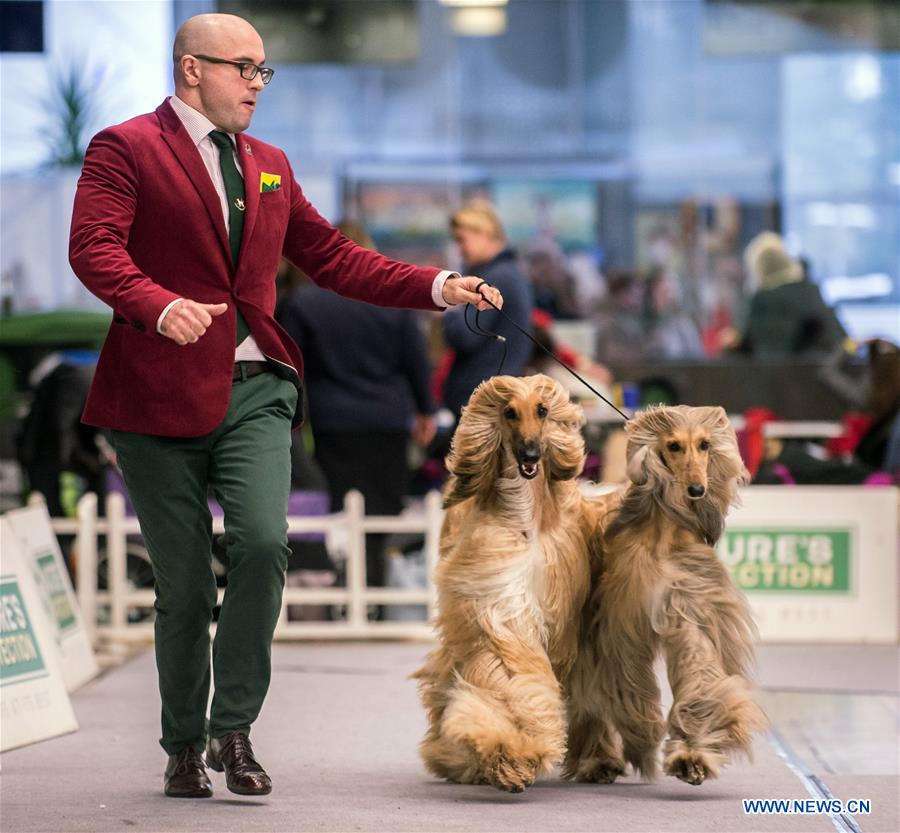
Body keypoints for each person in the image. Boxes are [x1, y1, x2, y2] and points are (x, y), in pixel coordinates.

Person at [68, 13, 502, 800]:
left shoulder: (270, 165)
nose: (257, 85)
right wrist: (157, 304)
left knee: (265, 544)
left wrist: (436, 286)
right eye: (244, 68)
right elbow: (94, 246)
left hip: (258, 389)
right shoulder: (124, 147)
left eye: (265, 71)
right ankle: (183, 743)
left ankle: (235, 728)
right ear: (191, 68)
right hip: (154, 397)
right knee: (186, 585)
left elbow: (334, 258)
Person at [278, 220, 437, 601]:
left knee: (340, 515)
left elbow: (288, 363)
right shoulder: (393, 302)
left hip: (334, 423)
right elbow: (417, 361)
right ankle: (377, 599)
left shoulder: (305, 302)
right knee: (380, 518)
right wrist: (425, 410)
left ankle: (344, 602)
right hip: (387, 421)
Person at [440, 200, 533, 418]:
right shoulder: (510, 273)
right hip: (493, 395)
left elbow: (464, 336)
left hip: (482, 402)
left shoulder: (496, 278)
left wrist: (449, 305)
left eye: (462, 240)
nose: (459, 248)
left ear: (484, 232)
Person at [734, 231, 845, 358]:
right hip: (825, 369)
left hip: (787, 373)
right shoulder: (809, 291)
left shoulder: (762, 300)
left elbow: (760, 350)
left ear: (756, 266)